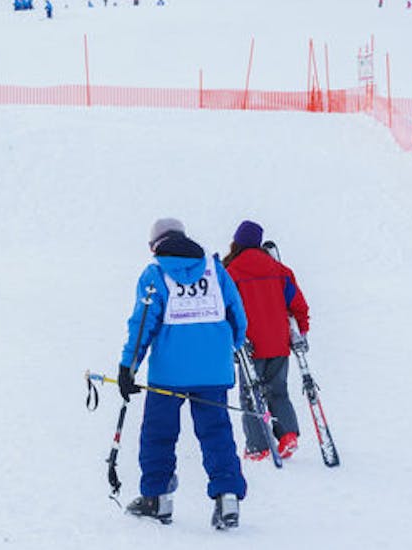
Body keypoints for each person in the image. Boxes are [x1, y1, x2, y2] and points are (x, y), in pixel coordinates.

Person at [119, 218, 248, 530]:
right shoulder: (215, 270)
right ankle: (227, 497)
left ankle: (157, 499)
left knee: (158, 434)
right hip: (214, 371)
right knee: (216, 433)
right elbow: (237, 315)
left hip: (169, 374)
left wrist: (128, 367)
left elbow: (142, 325)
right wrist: (226, 347)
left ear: (156, 245)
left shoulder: (155, 273)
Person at [222, 220, 309, 462]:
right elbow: (298, 305)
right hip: (279, 343)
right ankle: (288, 435)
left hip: (249, 345)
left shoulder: (230, 273)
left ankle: (257, 446)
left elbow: (225, 311)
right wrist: (301, 332)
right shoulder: (281, 271)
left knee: (251, 395)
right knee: (278, 390)